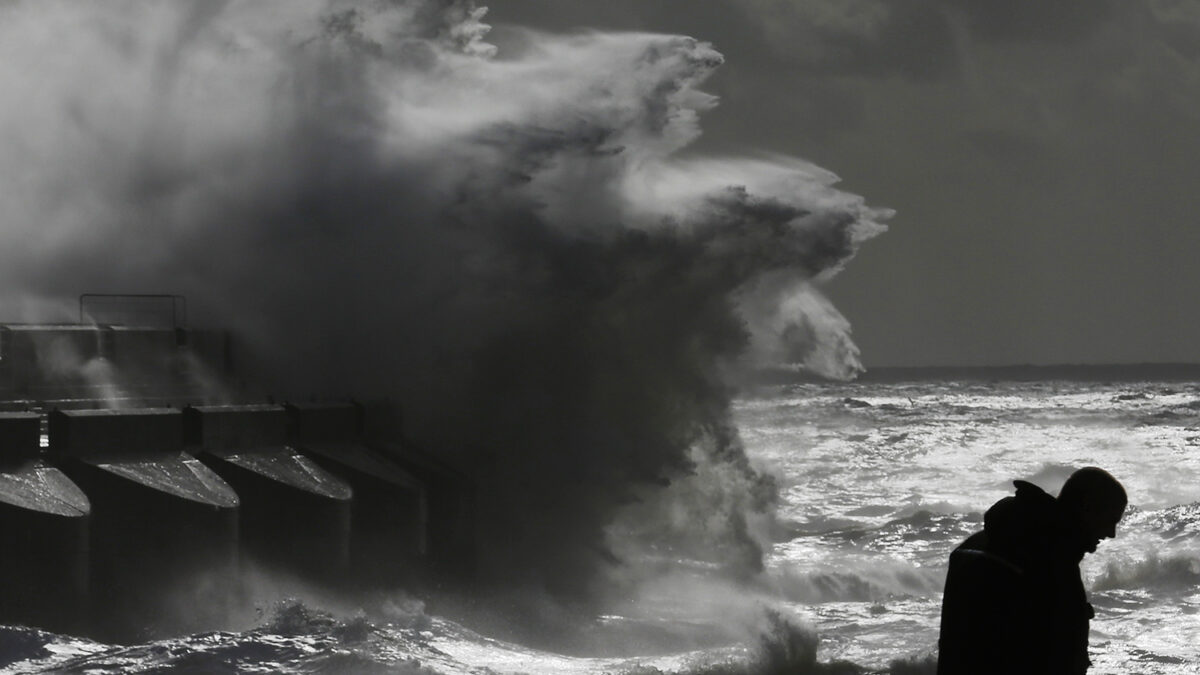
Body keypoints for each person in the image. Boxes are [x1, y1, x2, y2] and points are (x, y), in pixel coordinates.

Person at [937, 467, 1127, 675]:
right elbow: (1055, 656)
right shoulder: (1052, 562)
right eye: (1110, 521)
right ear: (1087, 508)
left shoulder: (982, 542)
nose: (1112, 533)